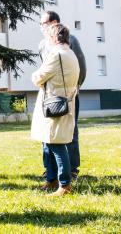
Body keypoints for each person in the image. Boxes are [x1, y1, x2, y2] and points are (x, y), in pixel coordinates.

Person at [31, 23, 80, 196]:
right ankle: (52, 179)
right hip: (64, 102)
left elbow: (37, 77)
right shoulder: (71, 53)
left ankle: (64, 185)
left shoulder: (56, 54)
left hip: (54, 105)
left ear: (53, 38)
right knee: (48, 143)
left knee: (56, 145)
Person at [38, 11, 86, 180]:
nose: (42, 27)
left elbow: (81, 66)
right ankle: (50, 170)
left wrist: (75, 87)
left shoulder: (70, 43)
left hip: (69, 94)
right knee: (48, 135)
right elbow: (45, 71)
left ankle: (71, 169)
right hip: (50, 96)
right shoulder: (43, 45)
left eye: (44, 23)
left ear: (55, 22)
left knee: (69, 132)